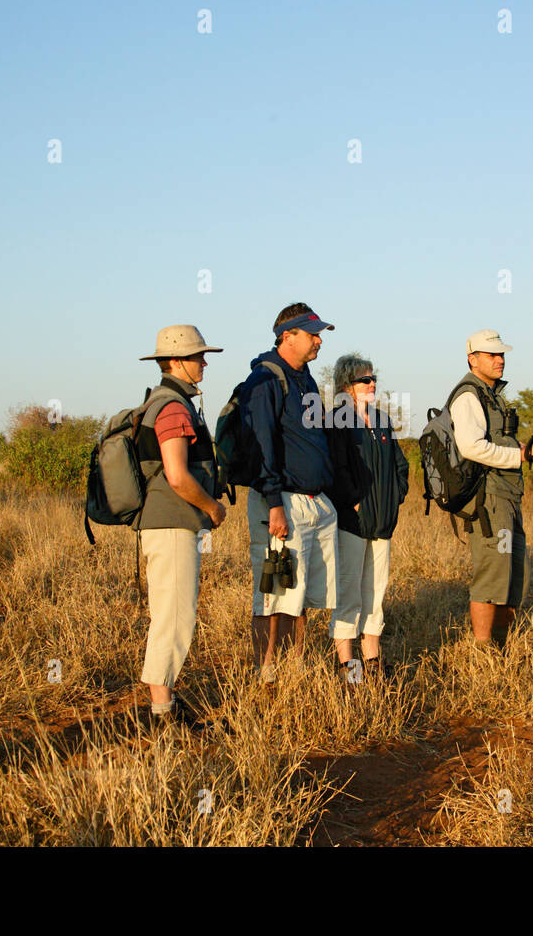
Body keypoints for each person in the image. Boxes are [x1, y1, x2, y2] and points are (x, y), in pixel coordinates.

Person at [136, 325, 227, 727]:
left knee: (171, 615)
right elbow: (177, 475)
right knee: (174, 619)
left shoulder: (169, 401)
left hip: (168, 523)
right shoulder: (172, 406)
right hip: (172, 524)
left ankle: (166, 704)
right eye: (197, 357)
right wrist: (213, 507)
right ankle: (161, 713)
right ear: (176, 362)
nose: (203, 362)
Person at [241, 303, 338, 682]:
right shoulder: (264, 380)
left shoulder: (306, 380)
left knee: (299, 600)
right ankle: (267, 676)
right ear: (287, 336)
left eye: (319, 334)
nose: (318, 341)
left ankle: (293, 670)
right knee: (273, 595)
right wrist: (274, 504)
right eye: (311, 333)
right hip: (281, 505)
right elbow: (261, 446)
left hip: (315, 503)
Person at [448, 330, 533, 648]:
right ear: (472, 359)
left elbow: (493, 441)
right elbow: (471, 447)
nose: (500, 360)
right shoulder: (468, 395)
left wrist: (523, 449)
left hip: (507, 494)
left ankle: (500, 646)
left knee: (517, 576)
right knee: (493, 575)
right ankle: (482, 651)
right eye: (492, 355)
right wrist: (516, 456)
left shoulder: (493, 395)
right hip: (488, 498)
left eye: (501, 354)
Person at [326, 354, 409, 682]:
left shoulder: (382, 420)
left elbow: (400, 465)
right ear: (346, 385)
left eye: (373, 378)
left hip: (383, 523)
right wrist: (354, 503)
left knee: (376, 593)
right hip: (352, 524)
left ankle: (374, 665)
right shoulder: (336, 421)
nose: (372, 383)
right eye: (364, 379)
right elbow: (336, 471)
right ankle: (350, 671)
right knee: (349, 593)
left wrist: (394, 498)